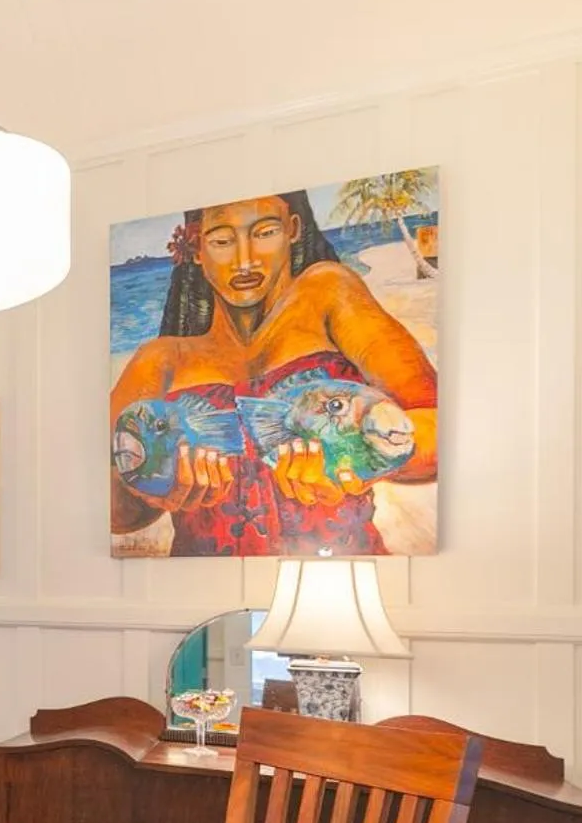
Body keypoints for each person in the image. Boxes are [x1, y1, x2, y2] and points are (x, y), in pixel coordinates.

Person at [109, 191, 437, 555]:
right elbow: (110, 510)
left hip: (337, 574)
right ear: (197, 247)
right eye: (222, 241)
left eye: (265, 233)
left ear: (292, 229)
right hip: (202, 578)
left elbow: (438, 426)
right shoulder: (160, 360)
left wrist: (358, 461)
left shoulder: (325, 292)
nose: (245, 260)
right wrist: (149, 489)